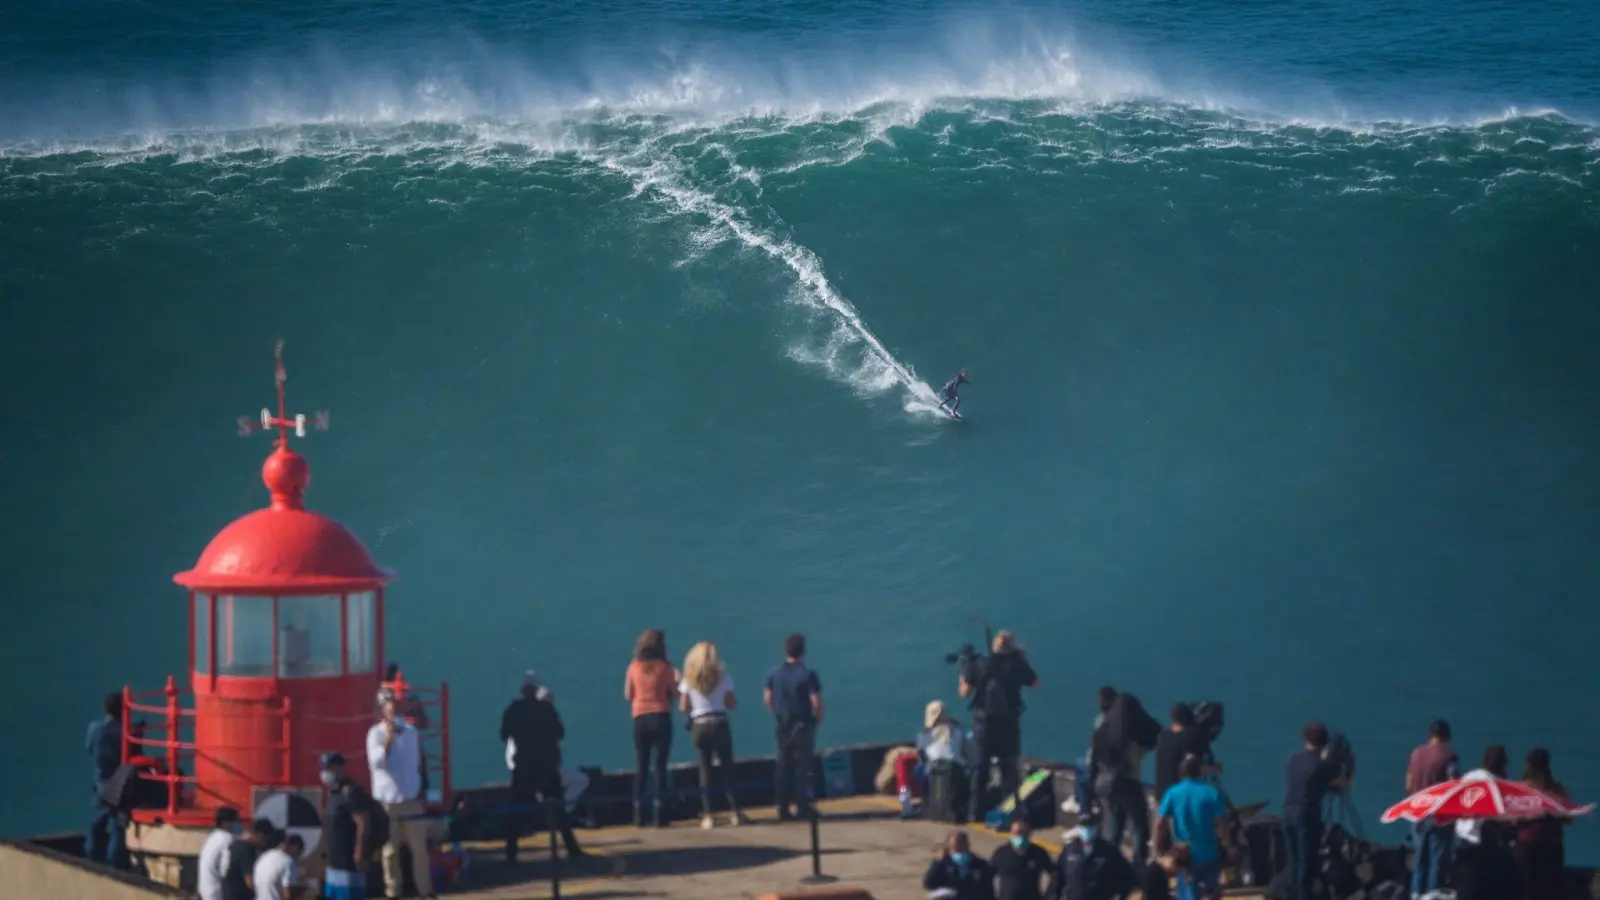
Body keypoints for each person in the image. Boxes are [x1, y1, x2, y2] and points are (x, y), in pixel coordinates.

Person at [501, 671, 585, 862]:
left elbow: (505, 734)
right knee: (558, 807)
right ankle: (572, 848)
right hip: (546, 766)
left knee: (516, 810)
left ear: (522, 691)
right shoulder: (547, 710)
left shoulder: (513, 710)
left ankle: (511, 853)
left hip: (523, 766)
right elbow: (560, 733)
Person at [957, 630, 1039, 824]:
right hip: (1009, 725)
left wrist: (963, 674)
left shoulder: (979, 664)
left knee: (980, 769)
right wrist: (1020, 658)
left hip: (983, 726)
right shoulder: (1017, 665)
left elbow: (964, 692)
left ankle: (975, 814)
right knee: (1009, 772)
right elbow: (1036, 684)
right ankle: (1008, 814)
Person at [366, 688, 435, 900]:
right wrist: (388, 737)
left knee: (420, 850)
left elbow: (417, 764)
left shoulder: (411, 732)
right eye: (389, 705)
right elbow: (377, 763)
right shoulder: (374, 734)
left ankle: (425, 891)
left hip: (411, 799)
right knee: (390, 852)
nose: (393, 709)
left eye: (396, 705)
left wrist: (423, 789)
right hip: (388, 803)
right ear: (381, 709)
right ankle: (393, 892)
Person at [680, 640, 748, 829]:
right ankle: (736, 812)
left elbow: (683, 706)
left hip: (699, 726)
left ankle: (708, 815)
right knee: (728, 769)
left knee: (705, 770)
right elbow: (732, 704)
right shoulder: (723, 678)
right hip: (719, 723)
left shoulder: (689, 680)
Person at [1280, 722, 1350, 900]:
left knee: (1293, 860)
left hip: (1287, 812)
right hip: (1306, 815)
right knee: (1306, 861)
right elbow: (1343, 783)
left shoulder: (1293, 759)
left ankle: (1292, 894)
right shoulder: (1322, 764)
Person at [765, 632, 823, 821]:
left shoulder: (774, 673)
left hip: (783, 726)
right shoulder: (808, 674)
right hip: (803, 726)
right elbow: (816, 702)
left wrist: (777, 714)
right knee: (802, 769)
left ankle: (782, 808)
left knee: (782, 768)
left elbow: (768, 698)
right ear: (803, 651)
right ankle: (802, 807)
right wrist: (817, 719)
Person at [624, 629, 678, 827]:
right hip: (660, 717)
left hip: (640, 719)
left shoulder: (633, 667)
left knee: (642, 766)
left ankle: (637, 813)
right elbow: (674, 692)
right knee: (660, 767)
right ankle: (659, 813)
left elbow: (628, 694)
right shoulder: (664, 668)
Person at [1152, 756, 1226, 900]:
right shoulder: (1211, 792)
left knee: (1188, 894)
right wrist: (1227, 844)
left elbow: (1159, 823)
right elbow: (1221, 822)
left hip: (1185, 855)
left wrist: (1157, 851)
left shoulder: (1172, 793)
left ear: (1181, 773)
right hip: (1209, 853)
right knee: (1212, 893)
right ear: (1199, 772)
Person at [1406, 719, 1461, 899]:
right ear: (1446, 738)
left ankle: (1415, 894)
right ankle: (1431, 895)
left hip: (1417, 811)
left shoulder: (1415, 754)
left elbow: (1408, 784)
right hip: (1438, 814)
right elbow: (1453, 783)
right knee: (1438, 861)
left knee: (1420, 858)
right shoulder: (1449, 756)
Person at [1514, 748, 1569, 900]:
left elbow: (1513, 818)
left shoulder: (1521, 789)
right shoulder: (1557, 789)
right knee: (1550, 890)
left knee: (1527, 891)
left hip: (1527, 847)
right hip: (1552, 846)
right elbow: (1569, 818)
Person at [319, 753, 373, 900]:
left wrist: (359, 852)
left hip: (348, 862)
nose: (326, 772)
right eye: (324, 768)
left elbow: (362, 822)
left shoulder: (351, 792)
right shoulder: (332, 793)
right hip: (333, 862)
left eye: (330, 767)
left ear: (341, 768)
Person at [85, 691, 129, 868]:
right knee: (119, 825)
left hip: (100, 782)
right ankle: (116, 862)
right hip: (118, 784)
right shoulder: (123, 733)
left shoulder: (94, 728)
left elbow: (89, 748)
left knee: (97, 822)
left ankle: (92, 856)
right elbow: (129, 757)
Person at [1048, 824, 1136, 900]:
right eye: (1084, 826)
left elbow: (1128, 877)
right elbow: (1057, 880)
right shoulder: (1069, 850)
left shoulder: (1109, 851)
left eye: (1090, 825)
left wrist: (1121, 895)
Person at [1152, 705, 1218, 801]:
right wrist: (1217, 768)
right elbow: (1199, 769)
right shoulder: (1191, 738)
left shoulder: (1162, 737)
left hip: (1162, 797)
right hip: (1181, 798)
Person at [990, 818, 1053, 900]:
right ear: (1011, 833)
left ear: (1029, 833)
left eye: (1024, 832)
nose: (1021, 835)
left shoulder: (1038, 853)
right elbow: (987, 875)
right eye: (1017, 832)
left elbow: (1055, 873)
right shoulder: (1001, 853)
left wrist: (1049, 895)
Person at [924, 830, 996, 900]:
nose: (960, 852)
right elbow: (929, 884)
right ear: (949, 848)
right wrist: (938, 861)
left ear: (968, 845)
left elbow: (988, 891)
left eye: (962, 847)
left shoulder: (980, 865)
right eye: (956, 849)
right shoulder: (943, 864)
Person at [199, 807, 241, 900]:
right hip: (218, 893)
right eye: (236, 821)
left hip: (206, 890)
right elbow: (225, 870)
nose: (239, 824)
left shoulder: (213, 837)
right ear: (226, 822)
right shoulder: (228, 840)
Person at [222, 819, 270, 900]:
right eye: (265, 838)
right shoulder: (246, 848)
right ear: (259, 835)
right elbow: (249, 879)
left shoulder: (234, 845)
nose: (264, 843)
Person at [252, 832, 304, 900]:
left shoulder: (263, 858)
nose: (297, 857)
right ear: (295, 847)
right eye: (298, 853)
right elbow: (288, 894)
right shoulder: (287, 861)